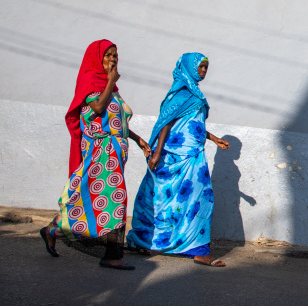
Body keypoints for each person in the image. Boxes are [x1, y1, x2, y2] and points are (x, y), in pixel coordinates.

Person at [39, 39, 151, 270]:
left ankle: (53, 230)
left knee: (95, 202)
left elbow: (115, 122)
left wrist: (137, 139)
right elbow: (99, 108)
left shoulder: (113, 89)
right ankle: (111, 254)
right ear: (96, 58)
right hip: (100, 153)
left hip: (115, 153)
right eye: (108, 55)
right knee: (114, 201)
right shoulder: (91, 81)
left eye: (115, 55)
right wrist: (110, 80)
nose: (112, 59)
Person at [126, 52, 230, 267]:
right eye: (200, 67)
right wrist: (156, 153)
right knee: (163, 201)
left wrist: (213, 138)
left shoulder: (196, 94)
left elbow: (193, 123)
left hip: (194, 156)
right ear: (189, 67)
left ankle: (199, 249)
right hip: (172, 156)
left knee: (200, 201)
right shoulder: (181, 93)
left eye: (205, 68)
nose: (203, 71)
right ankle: (146, 241)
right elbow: (166, 123)